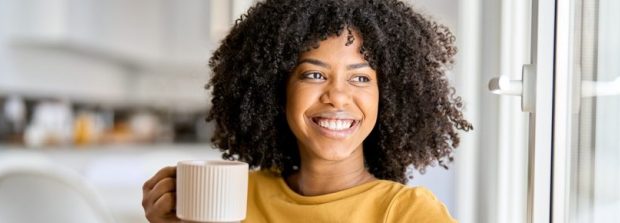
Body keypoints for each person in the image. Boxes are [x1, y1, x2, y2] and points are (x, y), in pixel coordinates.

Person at [142, 0, 472, 222]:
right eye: (314, 74)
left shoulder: (407, 213)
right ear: (276, 89)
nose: (338, 97)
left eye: (360, 77)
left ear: (386, 96)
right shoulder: (236, 198)